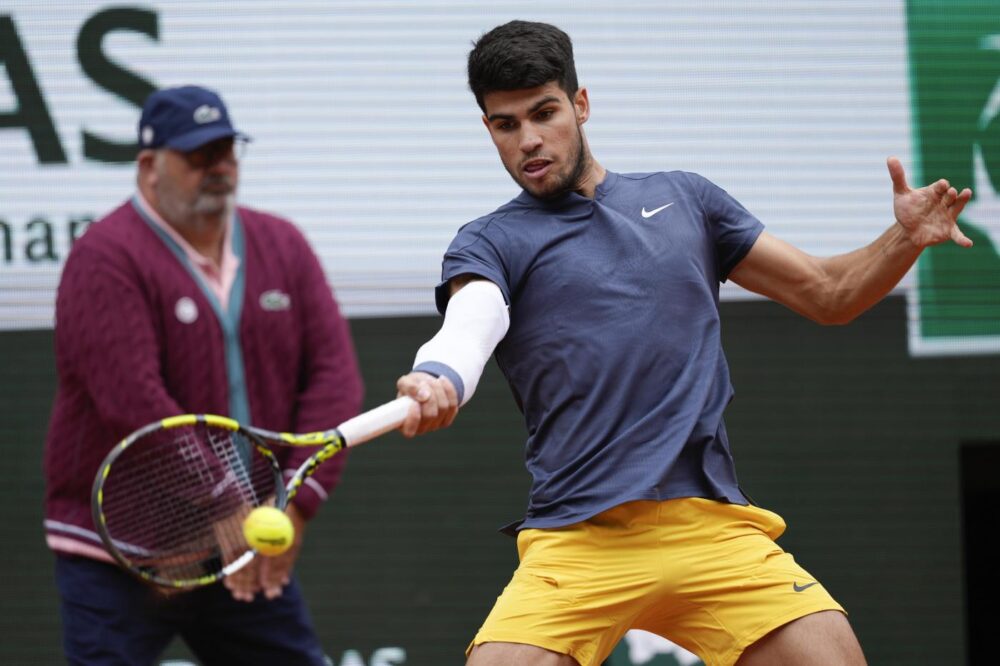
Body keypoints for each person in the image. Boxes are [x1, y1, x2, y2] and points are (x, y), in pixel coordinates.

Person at [394, 21, 972, 666]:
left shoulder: (686, 201)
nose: (529, 139)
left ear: (580, 105)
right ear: (489, 130)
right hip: (578, 539)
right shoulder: (489, 241)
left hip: (713, 530)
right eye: (505, 124)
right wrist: (439, 374)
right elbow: (469, 324)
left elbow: (829, 293)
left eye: (544, 113)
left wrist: (906, 238)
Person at [43, 85, 363, 665]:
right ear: (148, 166)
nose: (217, 168)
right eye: (197, 155)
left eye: (226, 151)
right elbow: (133, 401)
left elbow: (335, 378)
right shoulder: (103, 257)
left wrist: (292, 505)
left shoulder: (283, 245)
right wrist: (230, 508)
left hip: (243, 545)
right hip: (120, 557)